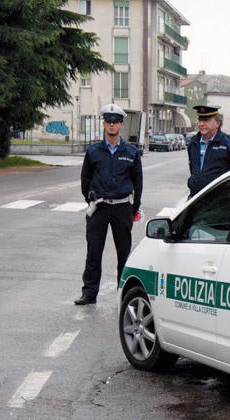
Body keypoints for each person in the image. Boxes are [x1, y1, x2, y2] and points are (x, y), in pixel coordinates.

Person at [74, 103, 143, 305]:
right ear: (104, 124)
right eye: (108, 122)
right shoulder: (94, 150)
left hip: (122, 208)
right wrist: (91, 200)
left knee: (124, 253)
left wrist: (133, 208)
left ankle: (124, 294)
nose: (111, 125)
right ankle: (89, 293)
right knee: (94, 252)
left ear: (121, 125)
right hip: (100, 208)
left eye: (116, 122)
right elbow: (85, 178)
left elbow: (138, 182)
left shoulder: (131, 151)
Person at [186, 105, 230, 197]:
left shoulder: (229, 144)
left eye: (206, 120)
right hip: (195, 198)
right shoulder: (193, 143)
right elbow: (193, 169)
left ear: (217, 123)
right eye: (200, 120)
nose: (201, 124)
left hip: (217, 201)